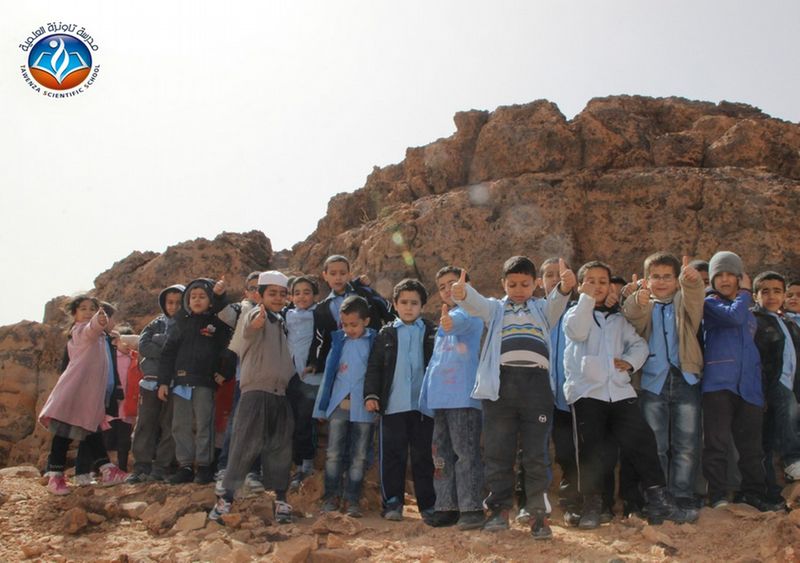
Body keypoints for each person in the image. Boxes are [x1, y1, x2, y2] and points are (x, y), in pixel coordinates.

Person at [564, 261, 697, 528]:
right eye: (590, 281)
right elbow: (577, 332)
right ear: (580, 286)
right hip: (587, 393)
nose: (597, 286)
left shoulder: (618, 319)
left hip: (620, 392)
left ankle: (658, 500)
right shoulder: (574, 314)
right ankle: (592, 505)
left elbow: (639, 345)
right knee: (591, 450)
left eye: (603, 282)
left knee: (643, 443)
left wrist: (630, 362)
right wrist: (586, 299)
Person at [452, 256, 574, 540]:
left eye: (525, 284)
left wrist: (566, 287)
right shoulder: (495, 309)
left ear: (536, 284)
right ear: (503, 284)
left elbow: (558, 301)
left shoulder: (543, 309)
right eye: (512, 284)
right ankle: (498, 510)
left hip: (536, 386)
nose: (519, 289)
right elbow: (476, 303)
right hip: (500, 386)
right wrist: (463, 293)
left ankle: (538, 515)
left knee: (536, 454)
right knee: (498, 452)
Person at [208, 271, 297, 525]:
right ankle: (225, 501)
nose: (278, 298)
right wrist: (256, 321)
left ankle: (281, 500)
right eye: (272, 294)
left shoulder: (280, 321)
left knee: (280, 448)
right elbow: (249, 326)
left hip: (280, 393)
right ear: (260, 295)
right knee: (243, 447)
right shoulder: (254, 313)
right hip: (256, 393)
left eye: (282, 294)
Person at [701, 251, 783, 511]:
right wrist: (746, 292)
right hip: (718, 384)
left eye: (731, 274)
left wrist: (760, 390)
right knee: (716, 444)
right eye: (720, 275)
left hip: (749, 387)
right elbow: (733, 317)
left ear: (739, 276)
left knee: (751, 448)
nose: (725, 280)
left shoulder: (748, 309)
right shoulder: (710, 303)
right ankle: (718, 495)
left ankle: (752, 494)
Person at [622, 253, 705, 508]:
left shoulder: (683, 301)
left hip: (685, 379)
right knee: (654, 444)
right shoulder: (644, 304)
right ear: (646, 280)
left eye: (667, 276)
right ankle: (657, 496)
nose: (661, 281)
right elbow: (631, 316)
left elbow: (695, 299)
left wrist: (692, 282)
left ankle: (682, 494)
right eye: (655, 277)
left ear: (676, 279)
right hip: (652, 382)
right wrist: (636, 299)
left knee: (686, 444)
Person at [364, 278, 437, 523]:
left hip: (423, 406)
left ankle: (428, 505)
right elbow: (374, 366)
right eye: (403, 302)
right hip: (393, 405)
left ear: (422, 306)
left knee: (423, 456)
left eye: (414, 303)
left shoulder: (431, 332)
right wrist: (372, 395)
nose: (408, 307)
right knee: (392, 455)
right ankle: (392, 503)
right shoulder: (386, 333)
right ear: (395, 304)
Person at [39, 296, 128, 494]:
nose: (88, 312)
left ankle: (107, 469)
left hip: (88, 397)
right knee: (63, 435)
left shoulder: (100, 337)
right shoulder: (80, 332)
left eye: (92, 309)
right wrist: (98, 320)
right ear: (74, 314)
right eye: (83, 309)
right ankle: (55, 477)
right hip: (74, 394)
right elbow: (91, 329)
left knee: (91, 431)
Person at [419, 266, 485, 530]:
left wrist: (450, 322)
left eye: (453, 283)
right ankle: (446, 507)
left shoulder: (471, 313)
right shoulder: (443, 322)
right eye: (442, 287)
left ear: (468, 285)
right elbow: (435, 363)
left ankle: (472, 508)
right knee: (442, 456)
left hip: (463, 398)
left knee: (465, 453)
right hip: (440, 399)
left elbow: (459, 323)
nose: (448, 290)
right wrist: (426, 397)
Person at [158, 278, 234, 485]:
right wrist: (163, 382)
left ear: (210, 301)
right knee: (180, 425)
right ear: (187, 301)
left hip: (204, 382)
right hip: (180, 382)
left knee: (204, 424)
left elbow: (230, 349)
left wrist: (224, 372)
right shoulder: (181, 323)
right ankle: (185, 466)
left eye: (202, 296)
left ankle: (204, 465)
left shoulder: (217, 324)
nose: (197, 300)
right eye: (193, 297)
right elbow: (168, 353)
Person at [314, 295, 377, 517]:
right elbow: (329, 375)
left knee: (359, 455)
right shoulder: (339, 341)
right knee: (333, 453)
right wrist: (321, 407)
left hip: (365, 406)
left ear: (366, 321)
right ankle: (331, 497)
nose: (349, 329)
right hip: (338, 403)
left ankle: (352, 500)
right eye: (345, 325)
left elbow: (378, 373)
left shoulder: (374, 342)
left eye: (354, 325)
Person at [127, 285, 185, 483]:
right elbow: (144, 347)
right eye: (170, 302)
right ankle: (141, 466)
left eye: (178, 303)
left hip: (176, 383)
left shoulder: (187, 325)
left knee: (170, 425)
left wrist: (160, 343)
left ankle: (162, 467)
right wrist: (168, 348)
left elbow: (183, 351)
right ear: (163, 303)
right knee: (145, 424)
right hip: (150, 382)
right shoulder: (155, 324)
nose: (174, 307)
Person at [214, 272, 263, 496]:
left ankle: (253, 472)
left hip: (268, 380)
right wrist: (219, 296)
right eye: (252, 288)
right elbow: (223, 313)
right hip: (244, 378)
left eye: (261, 288)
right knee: (236, 423)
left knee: (259, 427)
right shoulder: (241, 310)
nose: (257, 292)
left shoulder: (278, 312)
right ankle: (225, 468)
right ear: (246, 292)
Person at [752, 271, 800, 493]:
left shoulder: (788, 322)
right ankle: (793, 458)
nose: (771, 296)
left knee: (771, 440)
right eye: (765, 291)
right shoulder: (754, 321)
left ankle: (774, 491)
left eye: (777, 291)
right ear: (755, 295)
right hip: (769, 385)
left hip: (790, 384)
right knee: (768, 438)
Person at [285, 275, 321, 490]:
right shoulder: (287, 315)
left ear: (315, 295)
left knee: (306, 421)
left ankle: (306, 464)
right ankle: (294, 464)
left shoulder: (320, 314)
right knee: (291, 421)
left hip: (311, 377)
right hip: (290, 377)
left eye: (306, 292)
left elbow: (325, 341)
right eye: (297, 293)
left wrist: (316, 363)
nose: (301, 297)